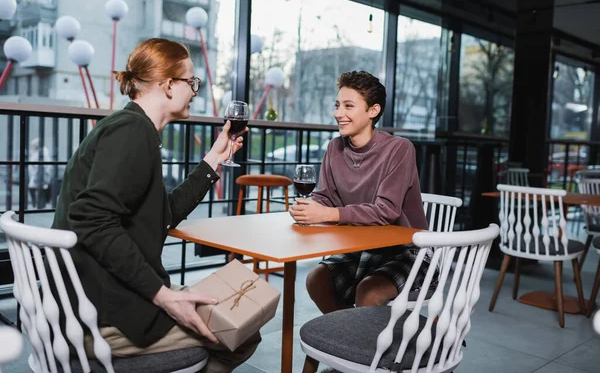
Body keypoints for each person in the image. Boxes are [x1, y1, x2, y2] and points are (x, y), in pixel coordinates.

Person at [51, 38, 259, 372]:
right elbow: (91, 219)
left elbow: (164, 215)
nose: (195, 91)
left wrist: (213, 160)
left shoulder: (129, 128)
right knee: (243, 328)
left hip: (95, 297)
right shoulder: (131, 133)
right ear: (167, 85)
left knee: (232, 313)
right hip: (101, 315)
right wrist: (162, 295)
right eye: (191, 82)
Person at [289, 70, 433, 313]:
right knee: (316, 280)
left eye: (348, 106)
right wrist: (309, 208)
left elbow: (386, 211)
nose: (338, 114)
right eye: (337, 105)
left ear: (372, 111)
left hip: (407, 251)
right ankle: (345, 341)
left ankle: (352, 343)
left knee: (368, 291)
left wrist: (328, 215)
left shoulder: (399, 149)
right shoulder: (334, 148)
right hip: (362, 250)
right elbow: (325, 197)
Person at [28, 137, 52, 208]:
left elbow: (45, 163)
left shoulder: (42, 151)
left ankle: (39, 204)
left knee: (37, 187)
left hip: (40, 174)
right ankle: (38, 203)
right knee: (37, 188)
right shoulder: (36, 152)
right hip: (36, 174)